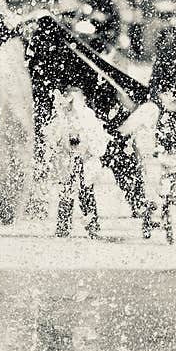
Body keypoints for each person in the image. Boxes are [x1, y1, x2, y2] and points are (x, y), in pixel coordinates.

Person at [44, 88, 110, 239]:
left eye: (75, 99)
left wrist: (89, 148)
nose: (72, 104)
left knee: (86, 193)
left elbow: (98, 140)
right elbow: (52, 137)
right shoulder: (61, 117)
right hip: (68, 160)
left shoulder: (88, 116)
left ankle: (92, 226)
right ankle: (63, 227)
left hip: (85, 160)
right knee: (67, 193)